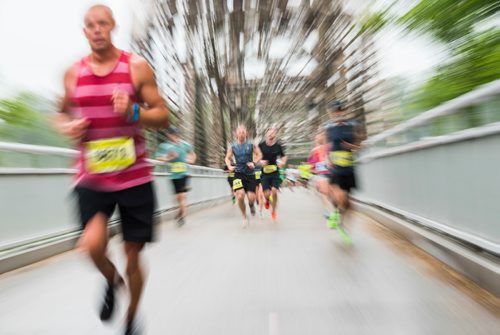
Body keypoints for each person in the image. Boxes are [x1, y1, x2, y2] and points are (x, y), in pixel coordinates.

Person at [54, 5, 168, 334]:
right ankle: (112, 280)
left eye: (102, 23)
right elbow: (59, 113)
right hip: (91, 176)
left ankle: (131, 316)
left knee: (133, 254)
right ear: (84, 30)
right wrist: (67, 125)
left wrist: (134, 111)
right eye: (90, 25)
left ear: (113, 26)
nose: (96, 30)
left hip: (134, 177)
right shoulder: (73, 73)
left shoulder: (136, 67)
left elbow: (162, 115)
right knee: (91, 245)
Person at [325, 101, 361, 242]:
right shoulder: (329, 128)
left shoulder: (353, 126)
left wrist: (350, 146)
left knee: (349, 203)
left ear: (343, 111)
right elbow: (328, 145)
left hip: (349, 168)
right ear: (332, 113)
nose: (337, 113)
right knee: (339, 196)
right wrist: (327, 158)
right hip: (335, 168)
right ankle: (335, 213)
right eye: (335, 111)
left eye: (340, 111)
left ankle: (342, 225)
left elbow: (360, 145)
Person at [155, 126, 196, 226]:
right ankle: (180, 213)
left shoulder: (185, 144)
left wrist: (191, 160)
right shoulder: (165, 146)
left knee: (182, 196)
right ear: (168, 135)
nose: (175, 135)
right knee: (178, 197)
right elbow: (158, 158)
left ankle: (183, 217)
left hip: (184, 173)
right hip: (173, 175)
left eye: (176, 133)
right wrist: (169, 158)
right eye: (172, 134)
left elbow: (193, 154)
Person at [224, 125, 262, 228]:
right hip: (238, 174)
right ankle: (244, 217)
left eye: (243, 132)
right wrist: (229, 166)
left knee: (251, 198)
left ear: (246, 133)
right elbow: (227, 158)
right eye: (239, 132)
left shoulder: (251, 145)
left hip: (250, 174)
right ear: (236, 134)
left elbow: (259, 154)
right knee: (240, 196)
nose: (241, 133)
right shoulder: (233, 147)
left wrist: (254, 163)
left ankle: (251, 204)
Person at [259, 127, 287, 221]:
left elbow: (284, 156)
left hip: (275, 172)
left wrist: (282, 162)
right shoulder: (261, 145)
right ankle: (267, 200)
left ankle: (273, 211)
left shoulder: (278, 146)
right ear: (266, 134)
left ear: (275, 135)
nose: (271, 135)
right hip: (265, 173)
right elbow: (256, 156)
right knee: (266, 194)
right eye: (269, 133)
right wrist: (261, 162)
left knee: (274, 191)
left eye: (273, 133)